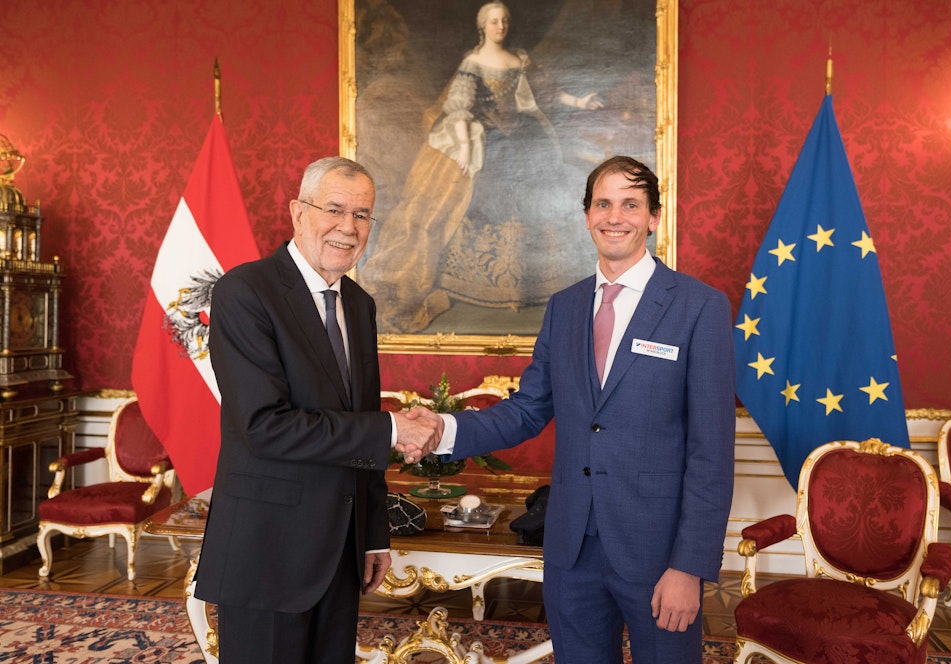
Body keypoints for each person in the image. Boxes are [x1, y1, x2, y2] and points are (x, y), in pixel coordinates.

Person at [408, 156, 736, 663]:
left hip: (658, 553)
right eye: (603, 204)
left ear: (654, 217)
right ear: (586, 216)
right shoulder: (564, 307)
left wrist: (689, 566)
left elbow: (711, 452)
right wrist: (442, 429)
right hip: (572, 550)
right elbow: (527, 410)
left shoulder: (699, 307)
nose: (615, 217)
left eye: (630, 204)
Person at [193, 156, 440, 664]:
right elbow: (266, 427)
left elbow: (361, 419)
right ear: (298, 212)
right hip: (268, 553)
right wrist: (392, 428)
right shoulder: (245, 292)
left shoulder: (359, 304)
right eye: (334, 209)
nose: (348, 227)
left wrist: (373, 534)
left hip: (341, 552)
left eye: (362, 215)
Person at [361, 0, 603, 333]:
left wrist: (579, 101)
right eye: (493, 21)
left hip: (525, 134)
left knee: (537, 189)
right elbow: (459, 107)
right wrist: (464, 145)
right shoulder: (473, 62)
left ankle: (531, 280)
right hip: (487, 138)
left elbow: (546, 93)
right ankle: (481, 279)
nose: (500, 26)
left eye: (504, 20)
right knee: (487, 189)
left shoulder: (520, 59)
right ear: (482, 26)